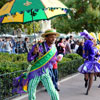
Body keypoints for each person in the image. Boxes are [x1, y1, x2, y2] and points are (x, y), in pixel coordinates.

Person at [13, 29, 60, 100]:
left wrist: (57, 59)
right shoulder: (38, 46)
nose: (53, 39)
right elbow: (29, 59)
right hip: (35, 72)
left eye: (55, 37)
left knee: (53, 91)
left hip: (45, 72)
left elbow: (52, 61)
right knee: (31, 92)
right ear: (46, 38)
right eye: (51, 37)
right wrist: (34, 53)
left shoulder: (54, 49)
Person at [78, 30, 100, 95]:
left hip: (93, 63)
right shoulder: (85, 48)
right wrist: (86, 55)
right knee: (86, 77)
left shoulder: (96, 49)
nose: (93, 41)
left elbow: (99, 55)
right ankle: (86, 81)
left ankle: (88, 90)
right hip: (87, 63)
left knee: (91, 77)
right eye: (92, 40)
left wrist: (97, 58)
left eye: (94, 40)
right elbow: (83, 55)